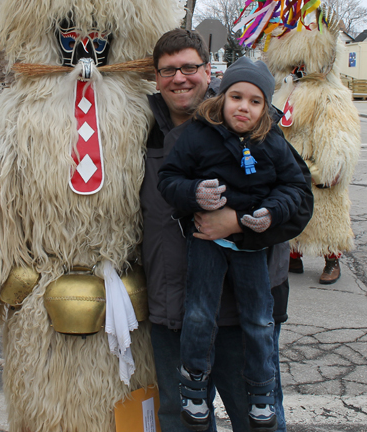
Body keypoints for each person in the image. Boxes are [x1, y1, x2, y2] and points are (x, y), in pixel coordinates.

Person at [140, 28, 313, 432]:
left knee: (255, 420)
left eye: (189, 67)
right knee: (181, 419)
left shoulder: (256, 122)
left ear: (208, 70)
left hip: (243, 307)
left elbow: (299, 200)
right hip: (171, 306)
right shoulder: (140, 127)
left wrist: (237, 223)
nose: (179, 78)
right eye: (168, 70)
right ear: (155, 76)